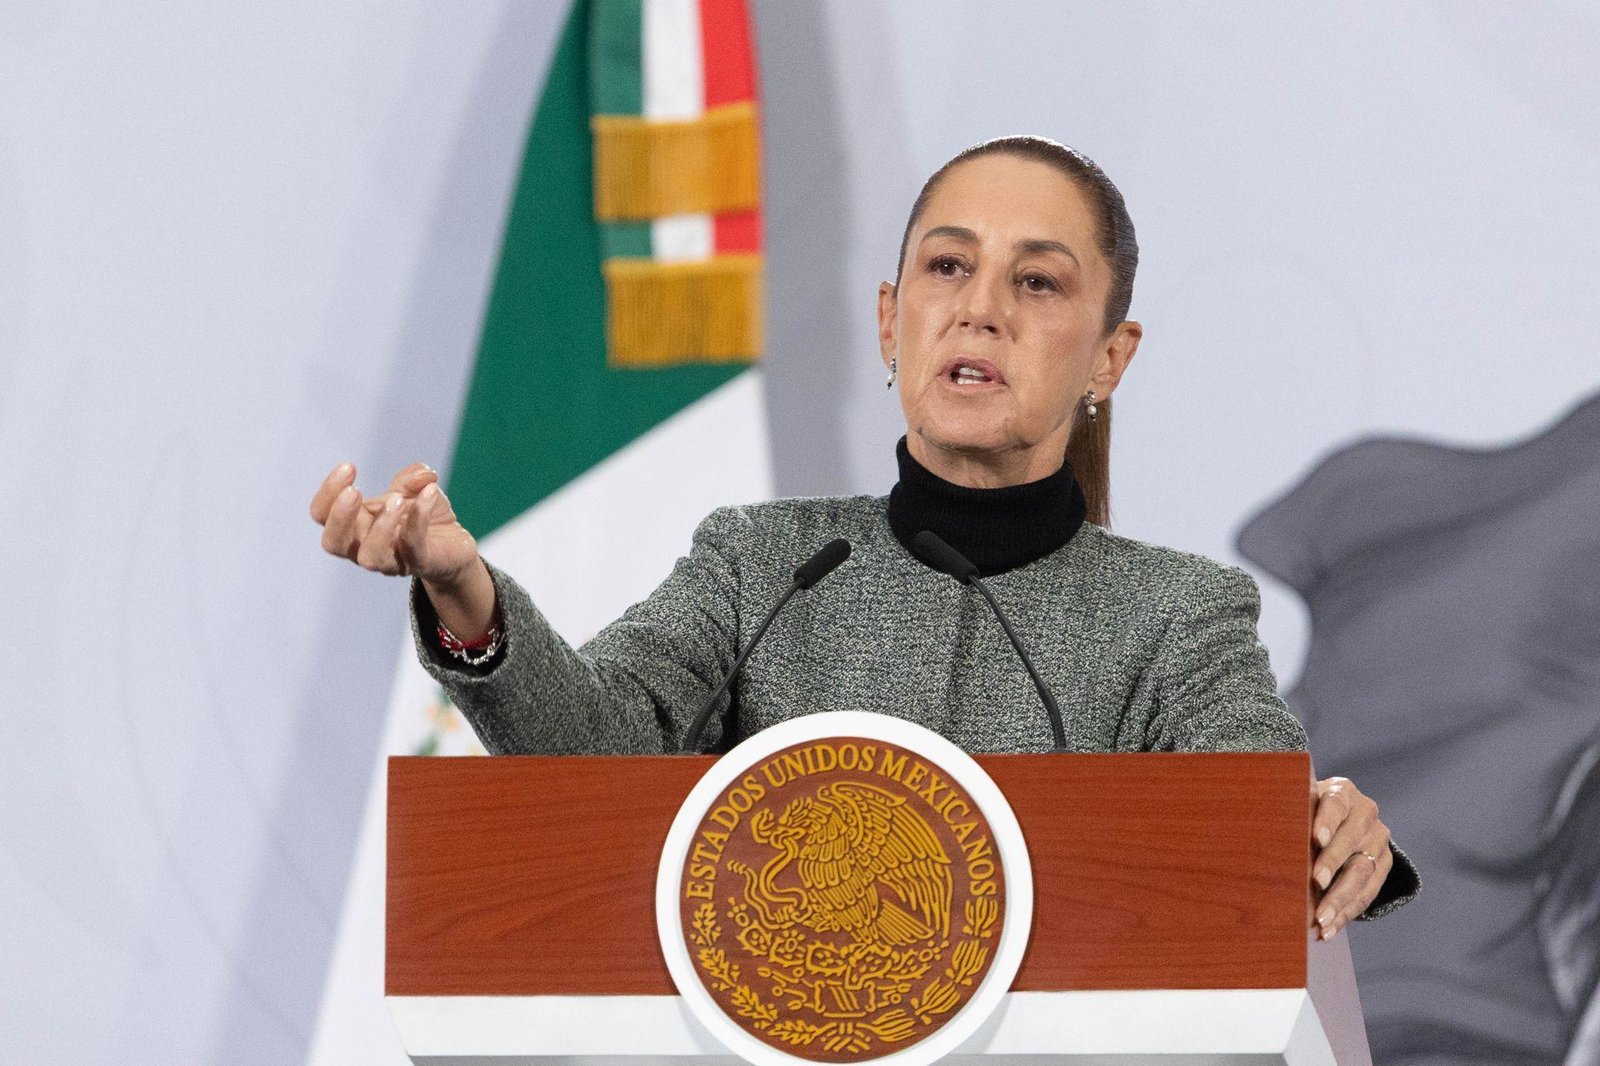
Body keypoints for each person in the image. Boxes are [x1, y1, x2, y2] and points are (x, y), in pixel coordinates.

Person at [311, 136, 1418, 936]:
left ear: (1109, 359)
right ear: (892, 321)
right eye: (948, 266)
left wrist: (1320, 832)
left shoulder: (1177, 615)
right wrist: (465, 591)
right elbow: (588, 757)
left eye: (1037, 282)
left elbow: (1252, 815)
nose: (980, 309)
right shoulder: (760, 566)